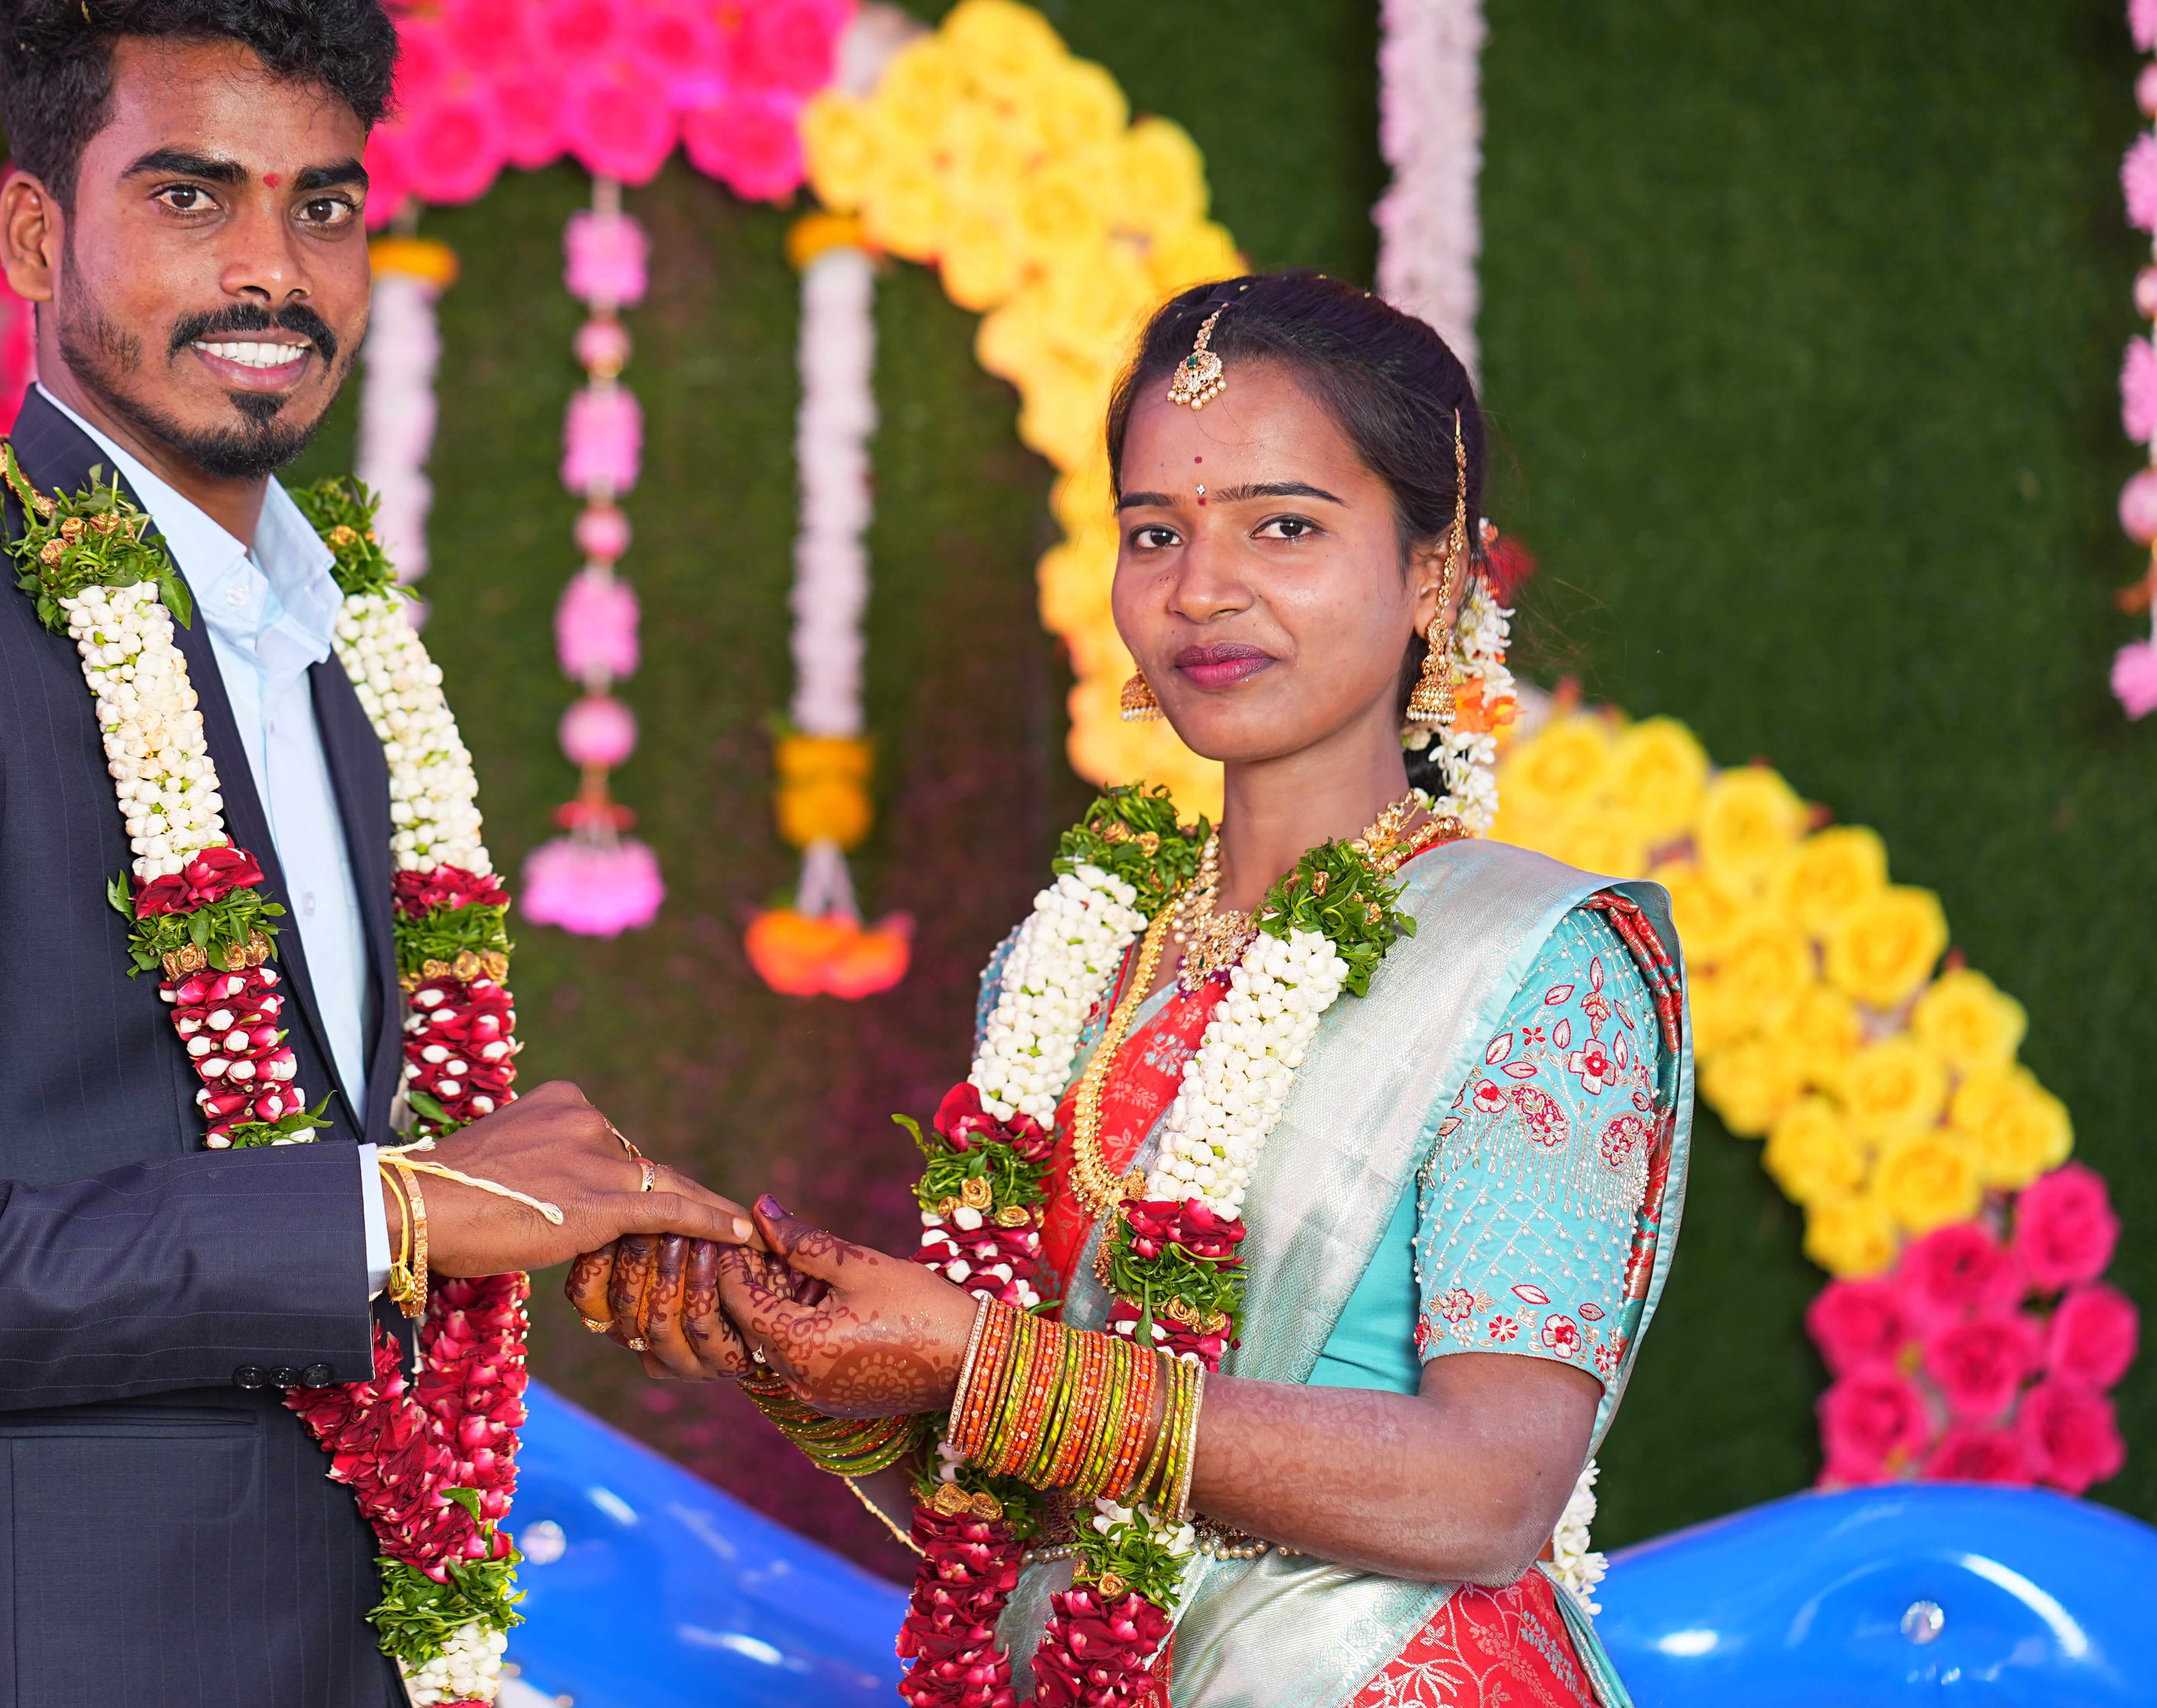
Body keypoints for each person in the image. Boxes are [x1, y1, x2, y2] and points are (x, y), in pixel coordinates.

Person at [0, 0, 748, 1708]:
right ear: (38, 231)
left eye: (321, 204)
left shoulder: (337, 649)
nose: (274, 268)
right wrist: (387, 1212)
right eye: (193, 195)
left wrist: (532, 1216)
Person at [572, 272, 1692, 1708]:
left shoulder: (1533, 963)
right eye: (1155, 533)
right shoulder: (1070, 966)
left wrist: (979, 1355)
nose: (1200, 589)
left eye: (1284, 526)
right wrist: (814, 1368)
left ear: (1434, 572)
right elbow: (1047, 1520)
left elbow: (1485, 1494)